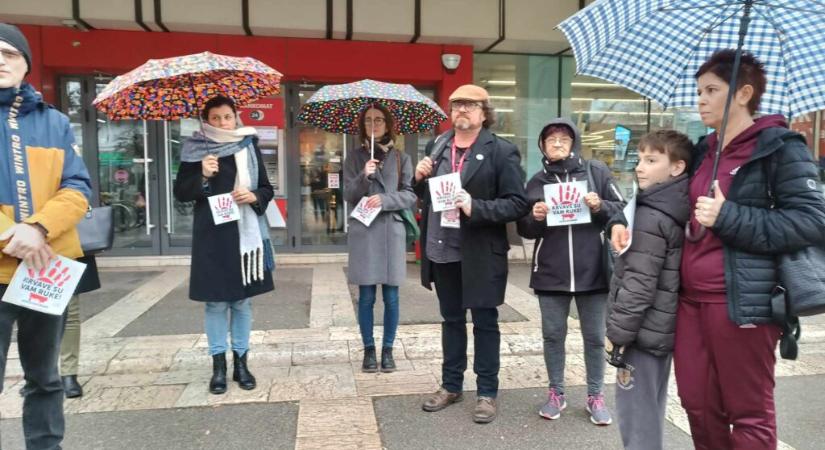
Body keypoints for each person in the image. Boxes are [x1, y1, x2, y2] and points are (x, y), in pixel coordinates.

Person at [611, 50, 825, 450]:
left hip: (745, 303)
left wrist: (729, 216)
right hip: (690, 303)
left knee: (748, 412)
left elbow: (812, 221)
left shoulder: (779, 147)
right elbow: (663, 199)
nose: (701, 99)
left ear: (743, 93)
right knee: (697, 404)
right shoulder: (704, 151)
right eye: (699, 91)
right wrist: (619, 220)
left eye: (712, 90)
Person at [0, 23, 92, 449]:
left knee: (46, 378)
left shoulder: (54, 121)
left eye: (10, 53)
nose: (1, 60)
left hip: (43, 270)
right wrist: (8, 233)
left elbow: (78, 188)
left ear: (26, 64)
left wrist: (37, 228)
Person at [414, 84, 529, 424]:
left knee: (484, 322)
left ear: (483, 112)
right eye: (456, 104)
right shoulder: (437, 146)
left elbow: (517, 203)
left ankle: (487, 392)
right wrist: (419, 179)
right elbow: (427, 195)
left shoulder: (501, 151)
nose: (462, 110)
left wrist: (475, 206)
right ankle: (451, 386)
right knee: (451, 321)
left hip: (480, 251)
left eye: (469, 105)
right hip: (442, 247)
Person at [515, 118, 626, 426]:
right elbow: (523, 229)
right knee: (553, 336)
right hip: (551, 271)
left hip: (593, 271)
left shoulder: (596, 172)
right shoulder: (536, 181)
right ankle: (556, 393)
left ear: (574, 142)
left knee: (594, 337)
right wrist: (534, 216)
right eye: (551, 140)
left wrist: (599, 205)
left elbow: (622, 210)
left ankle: (595, 396)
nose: (558, 144)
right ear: (542, 147)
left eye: (564, 138)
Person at [173, 95, 275, 395]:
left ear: (236, 117)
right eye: (215, 118)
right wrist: (202, 175)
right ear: (206, 120)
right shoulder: (195, 149)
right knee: (216, 302)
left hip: (246, 238)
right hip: (212, 236)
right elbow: (181, 193)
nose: (222, 122)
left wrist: (254, 196)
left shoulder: (249, 144)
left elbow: (267, 189)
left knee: (242, 302)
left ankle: (241, 363)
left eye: (227, 116)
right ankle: (218, 367)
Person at [604, 130, 692, 450]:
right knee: (650, 409)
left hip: (640, 333)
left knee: (635, 417)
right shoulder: (676, 205)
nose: (639, 167)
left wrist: (617, 334)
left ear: (677, 167)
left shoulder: (650, 215)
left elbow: (639, 285)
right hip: (661, 330)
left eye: (651, 160)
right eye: (639, 159)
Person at [343, 103, 416, 373]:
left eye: (379, 120)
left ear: (388, 125)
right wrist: (365, 175)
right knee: (365, 297)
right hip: (365, 232)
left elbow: (410, 194)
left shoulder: (401, 158)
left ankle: (388, 350)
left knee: (392, 297)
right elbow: (348, 194)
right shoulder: (354, 157)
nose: (374, 125)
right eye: (369, 120)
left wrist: (384, 199)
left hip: (391, 231)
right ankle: (368, 350)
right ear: (363, 125)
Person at [59, 255, 101, 398]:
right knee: (31, 315)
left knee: (70, 314)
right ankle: (37, 373)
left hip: (63, 250)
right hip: (17, 254)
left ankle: (68, 373)